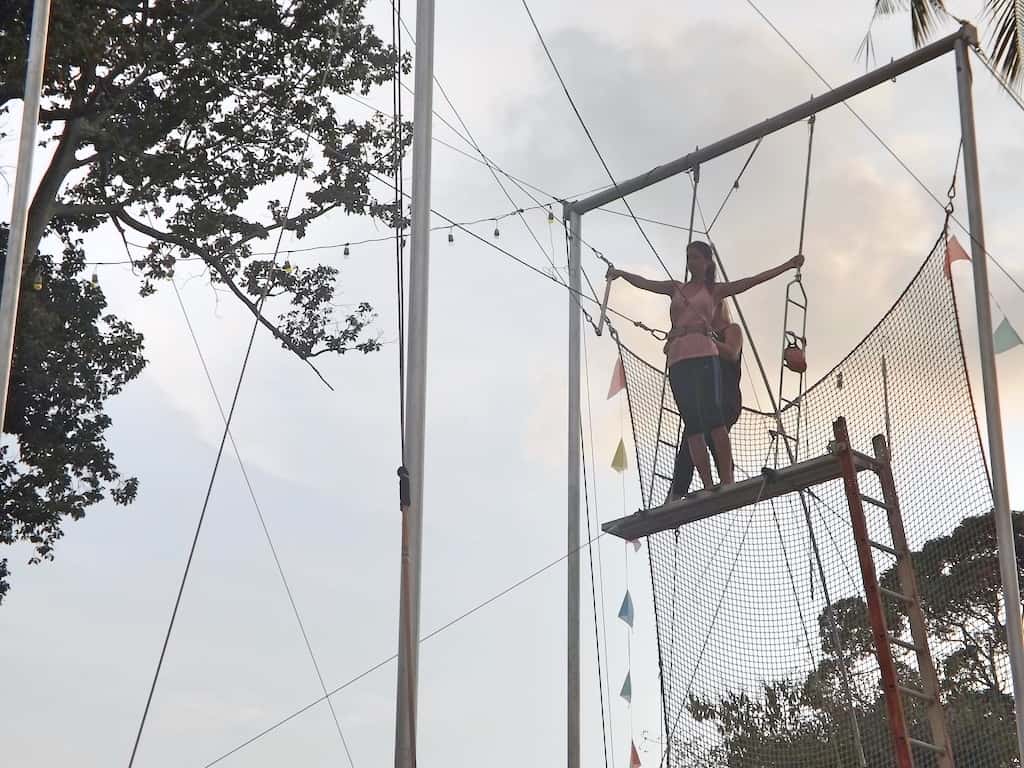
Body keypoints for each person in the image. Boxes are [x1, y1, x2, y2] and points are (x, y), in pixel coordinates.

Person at [607, 241, 802, 492]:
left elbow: (750, 281)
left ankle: (727, 480)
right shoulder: (675, 288)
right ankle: (708, 484)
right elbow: (645, 283)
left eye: (696, 258)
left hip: (704, 355)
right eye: (688, 257)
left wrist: (787, 266)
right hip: (678, 359)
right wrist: (620, 273)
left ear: (708, 262)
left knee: (713, 420)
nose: (691, 262)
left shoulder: (714, 291)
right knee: (693, 426)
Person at [670, 301, 743, 500]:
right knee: (693, 438)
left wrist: (704, 340)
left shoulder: (731, 330)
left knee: (710, 432)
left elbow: (731, 352)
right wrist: (682, 335)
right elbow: (670, 350)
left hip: (726, 399)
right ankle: (679, 492)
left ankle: (726, 479)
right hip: (707, 399)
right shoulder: (695, 334)